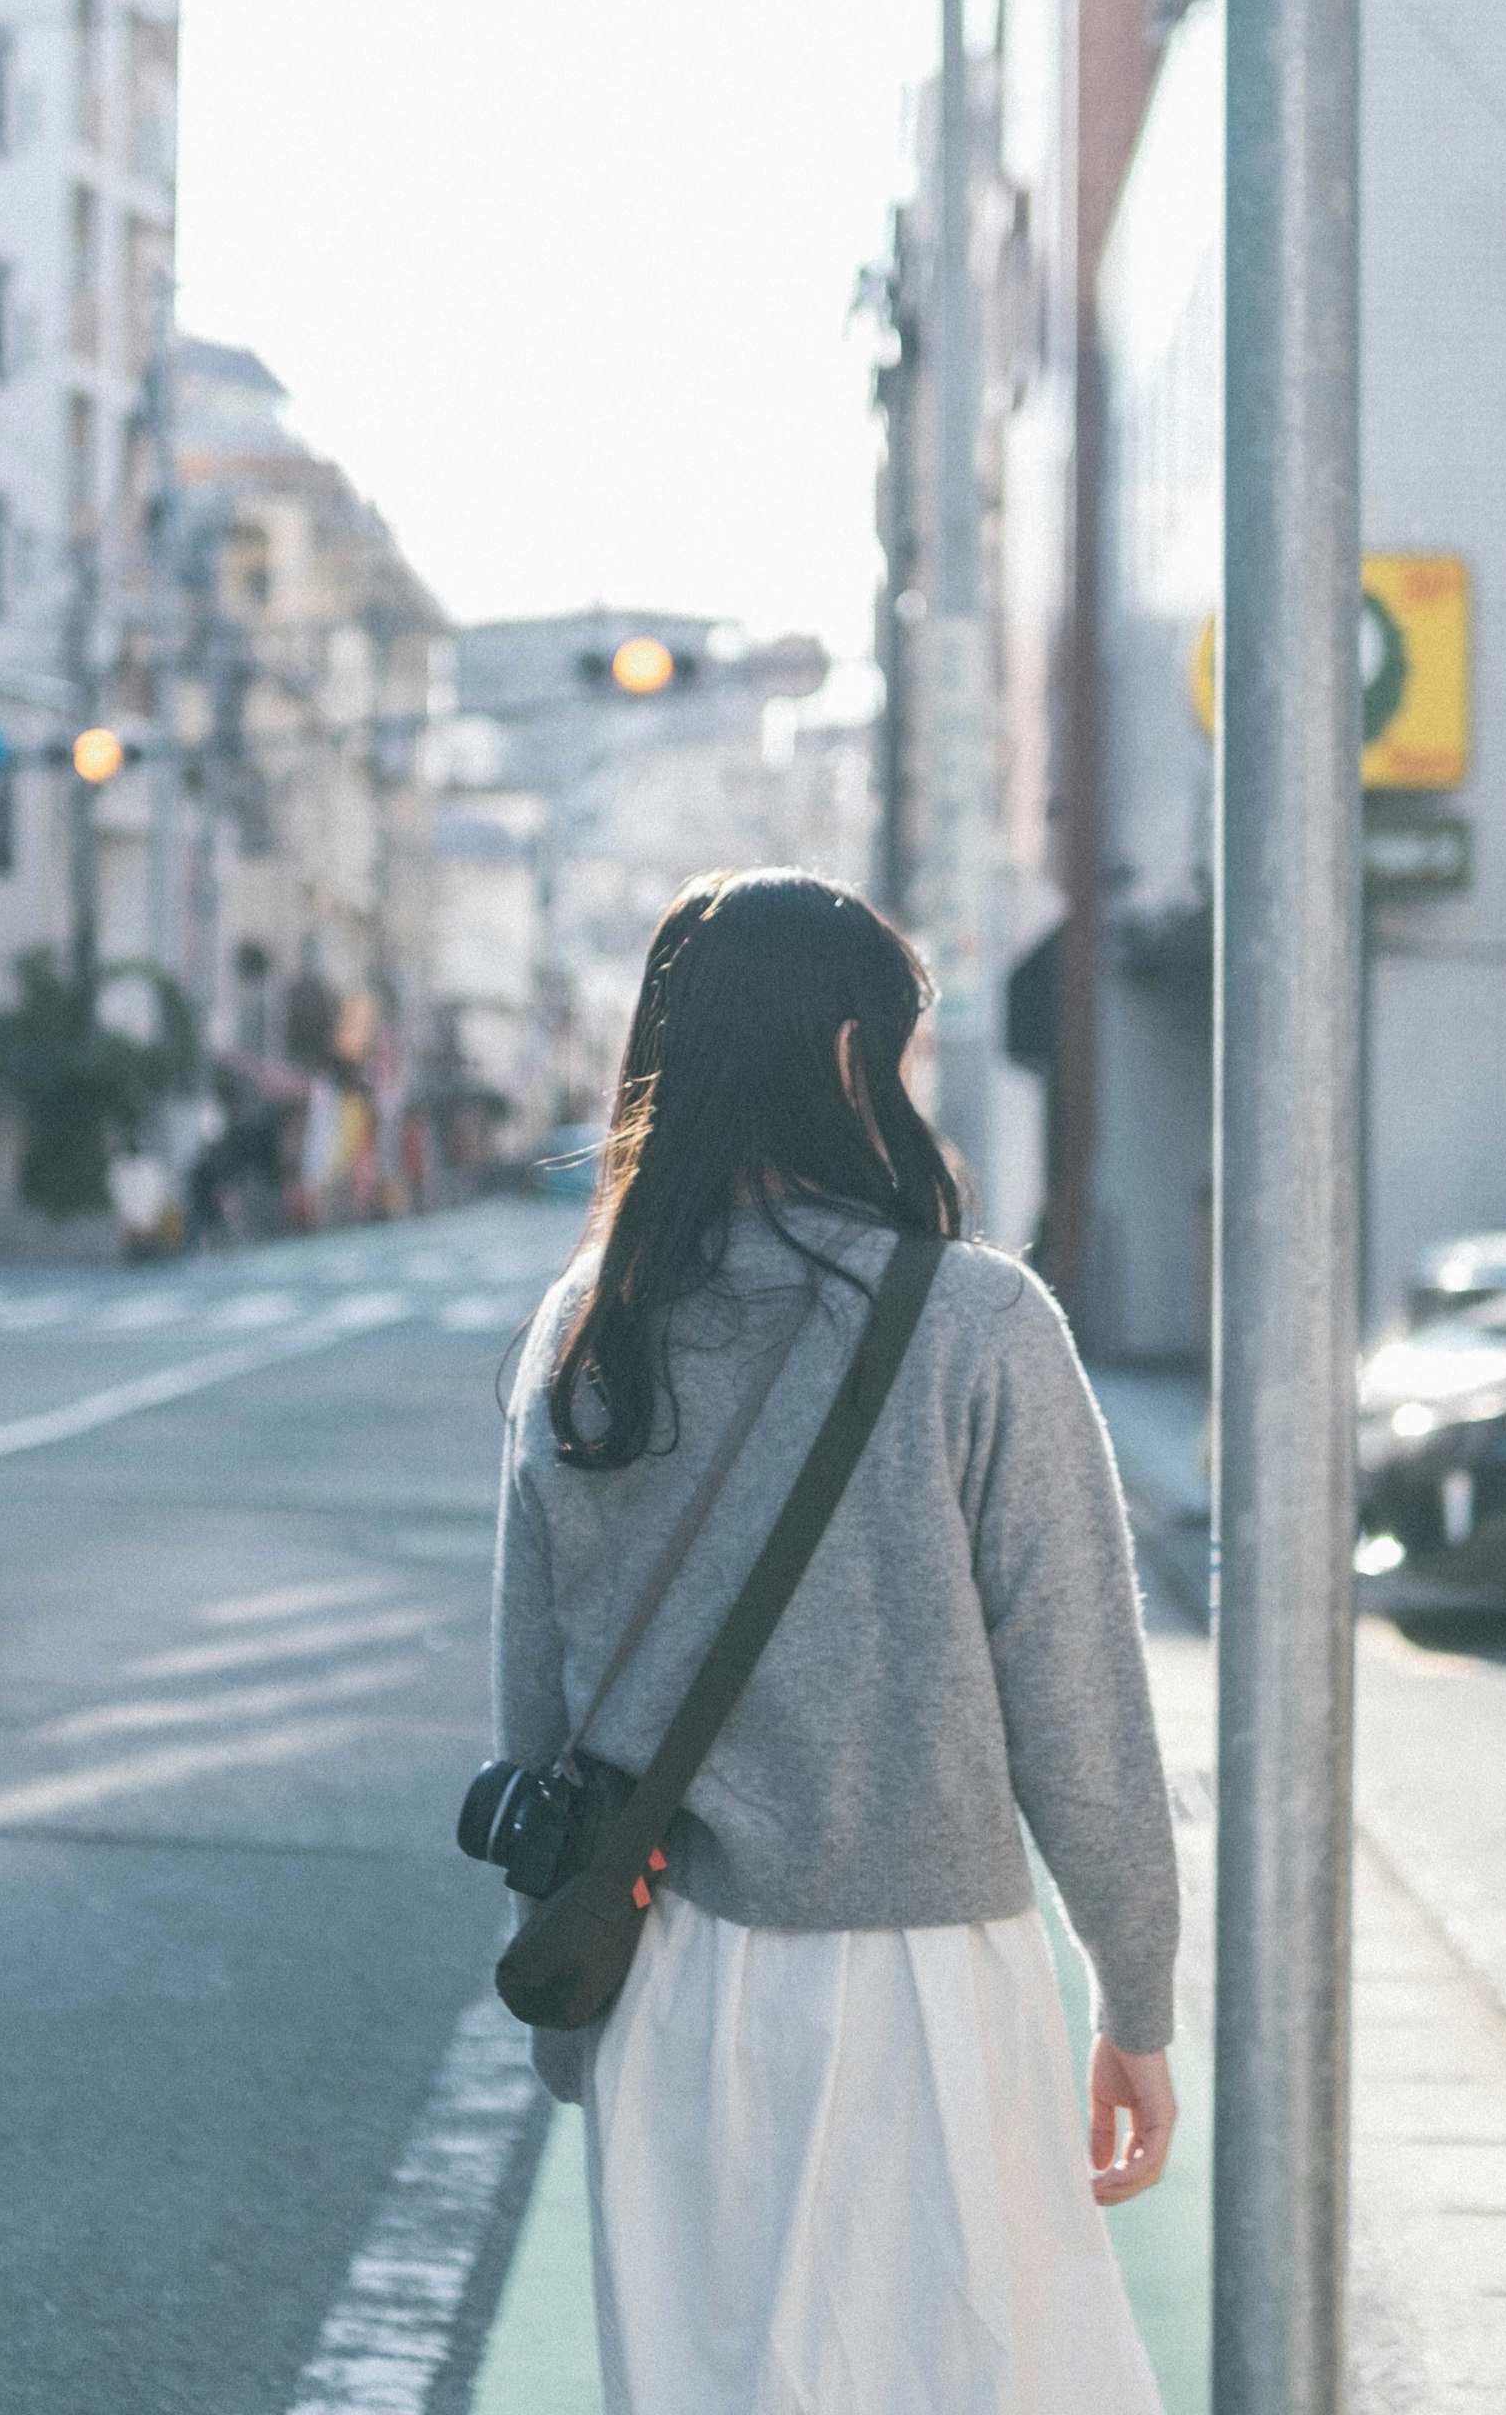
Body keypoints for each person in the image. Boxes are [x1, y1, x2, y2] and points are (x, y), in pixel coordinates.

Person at [494, 868, 1178, 2412]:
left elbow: (533, 1713)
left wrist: (575, 2006)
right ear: (856, 1060)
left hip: (668, 1992)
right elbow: (1084, 1725)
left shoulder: (586, 1331)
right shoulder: (977, 1325)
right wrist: (1136, 2001)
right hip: (924, 1984)